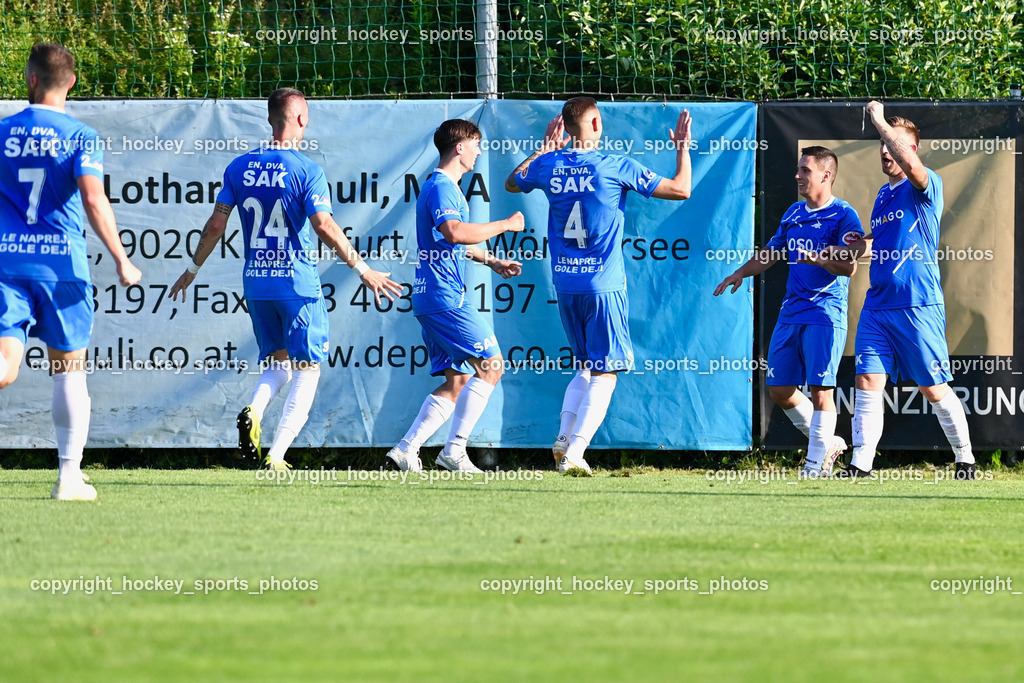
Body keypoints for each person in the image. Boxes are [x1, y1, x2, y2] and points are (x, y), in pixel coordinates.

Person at [170, 88, 401, 470]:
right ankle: (276, 455)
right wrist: (363, 270)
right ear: (301, 119)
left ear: (269, 119)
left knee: (279, 364)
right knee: (308, 371)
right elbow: (324, 225)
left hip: (257, 284)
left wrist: (192, 269)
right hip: (296, 285)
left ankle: (254, 408)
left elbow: (215, 225)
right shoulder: (306, 170)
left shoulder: (238, 167)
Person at [505, 97, 692, 473]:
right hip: (602, 286)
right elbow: (681, 189)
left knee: (585, 366)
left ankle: (562, 441)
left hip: (567, 285)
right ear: (594, 124)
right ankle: (575, 453)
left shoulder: (549, 165)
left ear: (566, 128)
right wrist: (683, 149)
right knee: (606, 372)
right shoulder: (614, 165)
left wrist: (544, 149)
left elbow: (512, 182)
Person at [0, 43, 142, 500]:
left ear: (30, 79)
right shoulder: (81, 136)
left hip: (7, 265)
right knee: (70, 370)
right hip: (61, 268)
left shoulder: (2, 131)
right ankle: (67, 478)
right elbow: (94, 200)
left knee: (4, 366)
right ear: (72, 83)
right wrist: (121, 259)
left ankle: (69, 477)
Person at [839, 101, 975, 479]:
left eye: (893, 144)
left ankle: (965, 459)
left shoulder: (926, 182)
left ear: (911, 149)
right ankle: (860, 466)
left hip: (917, 305)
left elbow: (912, 165)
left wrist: (880, 120)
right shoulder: (883, 196)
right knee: (866, 380)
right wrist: (854, 246)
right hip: (878, 305)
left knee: (933, 388)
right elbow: (878, 243)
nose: (885, 150)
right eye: (881, 144)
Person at [384, 119, 525, 473]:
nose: (479, 151)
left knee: (459, 380)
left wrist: (492, 260)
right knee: (492, 366)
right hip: (445, 297)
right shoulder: (442, 188)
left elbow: (449, 241)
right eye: (476, 144)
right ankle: (454, 451)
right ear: (460, 148)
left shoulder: (443, 187)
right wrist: (506, 225)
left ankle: (406, 449)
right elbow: (454, 232)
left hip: (433, 297)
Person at [714, 147, 863, 477]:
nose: (798, 175)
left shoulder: (843, 215)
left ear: (826, 175)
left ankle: (813, 466)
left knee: (821, 390)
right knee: (779, 390)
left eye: (805, 170)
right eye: (798, 169)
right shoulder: (793, 214)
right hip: (791, 312)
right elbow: (770, 253)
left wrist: (821, 258)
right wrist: (740, 272)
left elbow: (850, 265)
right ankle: (828, 443)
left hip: (825, 313)